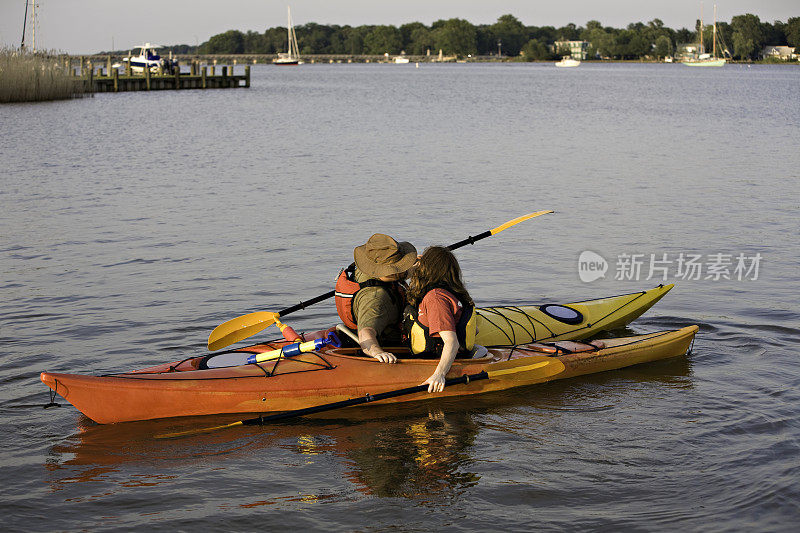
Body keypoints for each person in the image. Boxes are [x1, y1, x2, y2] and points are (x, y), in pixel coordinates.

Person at [335, 233, 417, 363]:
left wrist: (412, 268)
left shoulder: (365, 269)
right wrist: (377, 352)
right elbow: (365, 334)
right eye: (401, 265)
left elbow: (392, 275)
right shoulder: (376, 299)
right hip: (388, 344)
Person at [404, 246, 477, 393]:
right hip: (447, 352)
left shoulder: (436, 298)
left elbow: (451, 342)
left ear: (426, 269)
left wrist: (439, 374)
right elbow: (475, 329)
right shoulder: (451, 292)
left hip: (436, 357)